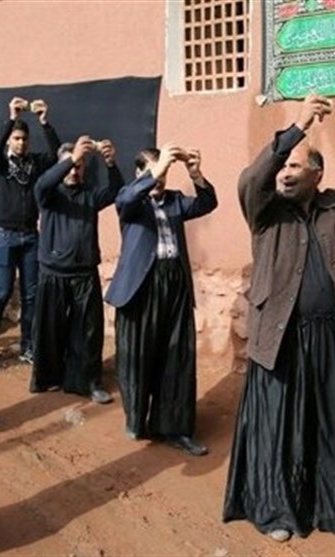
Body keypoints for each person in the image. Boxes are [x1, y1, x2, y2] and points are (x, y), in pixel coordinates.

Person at [222, 94, 335, 542]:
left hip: (331, 338)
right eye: (282, 165)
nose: (284, 171)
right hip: (279, 341)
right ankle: (279, 512)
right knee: (281, 431)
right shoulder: (263, 213)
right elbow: (251, 180)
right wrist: (296, 129)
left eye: (295, 165)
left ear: (318, 174)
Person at [105, 144, 217, 456]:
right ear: (140, 173)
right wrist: (157, 170)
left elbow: (208, 203)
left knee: (177, 356)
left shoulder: (176, 201)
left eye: (165, 172)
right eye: (155, 171)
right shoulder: (130, 200)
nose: (161, 179)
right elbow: (126, 199)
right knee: (137, 355)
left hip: (175, 283)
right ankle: (137, 419)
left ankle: (175, 427)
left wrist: (195, 173)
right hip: (141, 286)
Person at [30, 137, 124, 403]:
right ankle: (47, 378)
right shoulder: (49, 195)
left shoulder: (90, 195)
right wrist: (71, 158)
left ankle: (89, 381)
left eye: (80, 166)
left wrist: (110, 163)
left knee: (88, 331)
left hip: (84, 274)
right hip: (52, 274)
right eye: (70, 166)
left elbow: (116, 190)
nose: (74, 171)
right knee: (50, 329)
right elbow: (42, 183)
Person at [0, 96, 60, 364]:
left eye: (24, 139)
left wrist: (44, 122)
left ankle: (27, 346)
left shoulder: (35, 163)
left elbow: (58, 156)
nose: (21, 143)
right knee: (2, 292)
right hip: (4, 235)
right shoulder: (0, 164)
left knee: (30, 295)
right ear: (10, 141)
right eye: (16, 138)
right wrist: (12, 117)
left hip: (29, 235)